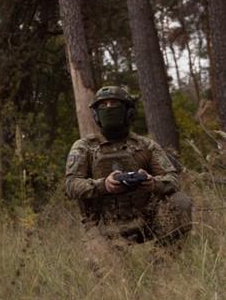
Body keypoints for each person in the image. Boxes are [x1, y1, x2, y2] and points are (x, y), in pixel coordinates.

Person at [65, 85, 193, 248]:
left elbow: (173, 180)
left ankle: (162, 261)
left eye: (114, 104)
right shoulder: (84, 147)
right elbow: (71, 185)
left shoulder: (146, 145)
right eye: (103, 105)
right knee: (109, 272)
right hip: (102, 227)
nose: (109, 108)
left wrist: (153, 183)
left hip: (146, 220)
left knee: (181, 202)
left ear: (129, 112)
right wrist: (104, 185)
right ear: (96, 114)